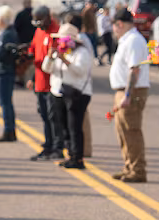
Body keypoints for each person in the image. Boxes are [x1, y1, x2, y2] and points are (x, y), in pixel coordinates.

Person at [45, 24, 94, 169]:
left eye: (63, 40)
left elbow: (79, 71)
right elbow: (46, 69)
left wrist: (65, 60)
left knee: (75, 127)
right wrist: (50, 57)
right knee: (65, 127)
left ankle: (78, 158)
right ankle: (70, 155)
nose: (60, 42)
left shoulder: (82, 52)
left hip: (77, 94)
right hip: (60, 93)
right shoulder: (59, 52)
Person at [109, 9, 149, 182]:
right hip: (123, 90)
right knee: (123, 132)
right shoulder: (127, 40)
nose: (113, 30)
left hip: (131, 91)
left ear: (119, 24)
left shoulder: (133, 41)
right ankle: (129, 166)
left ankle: (138, 170)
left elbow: (135, 69)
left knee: (131, 131)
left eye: (114, 26)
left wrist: (127, 94)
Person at [29, 6, 64, 160]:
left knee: (53, 116)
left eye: (40, 20)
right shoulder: (39, 31)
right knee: (44, 115)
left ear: (48, 17)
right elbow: (33, 49)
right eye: (36, 21)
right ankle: (48, 145)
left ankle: (58, 147)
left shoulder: (57, 32)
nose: (39, 24)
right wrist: (26, 52)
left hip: (53, 83)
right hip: (40, 82)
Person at [0, 5, 21, 142]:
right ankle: (10, 130)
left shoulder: (7, 33)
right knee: (6, 103)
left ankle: (9, 131)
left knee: (5, 103)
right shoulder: (8, 32)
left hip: (4, 71)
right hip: (5, 71)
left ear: (2, 19)